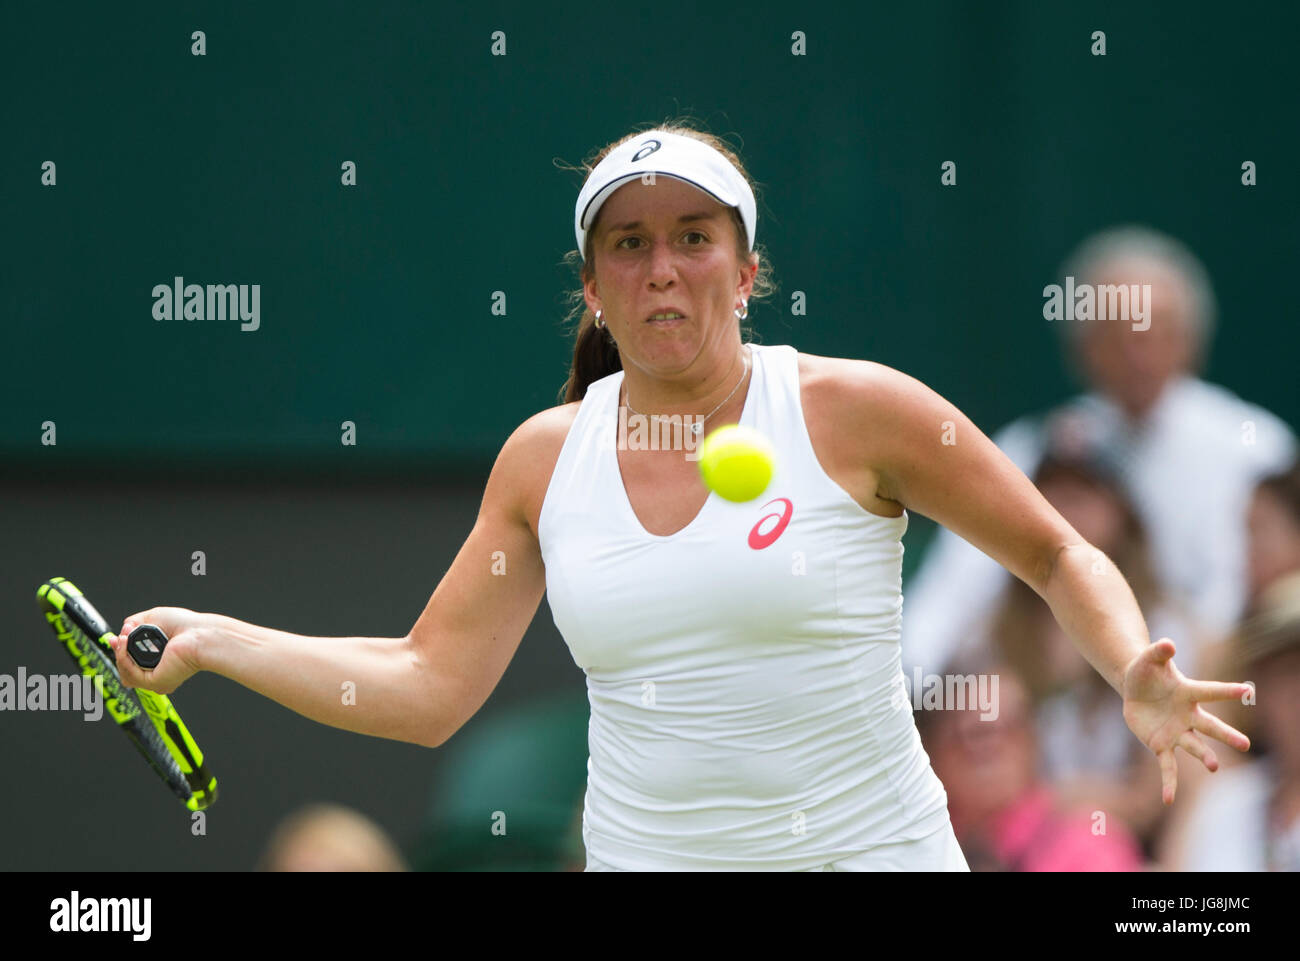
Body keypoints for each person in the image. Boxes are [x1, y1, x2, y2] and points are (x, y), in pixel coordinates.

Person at [110, 122, 1253, 872]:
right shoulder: (543, 460)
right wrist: (218, 640)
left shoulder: (859, 410)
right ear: (594, 287)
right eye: (630, 243)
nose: (662, 266)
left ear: (746, 272)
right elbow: (426, 685)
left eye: (693, 238)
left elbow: (1055, 553)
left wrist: (1127, 665)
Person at [902, 226, 1297, 683]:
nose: (1139, 354)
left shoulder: (1257, 449)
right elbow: (953, 596)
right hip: (1065, 700)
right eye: (1118, 333)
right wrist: (915, 688)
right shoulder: (1034, 452)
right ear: (1084, 346)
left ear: (1191, 338)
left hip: (1231, 695)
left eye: (1158, 330)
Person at [919, 665, 1145, 871]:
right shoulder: (914, 841)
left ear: (1033, 740)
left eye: (1008, 726)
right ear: (931, 748)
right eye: (973, 733)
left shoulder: (1087, 841)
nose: (987, 747)